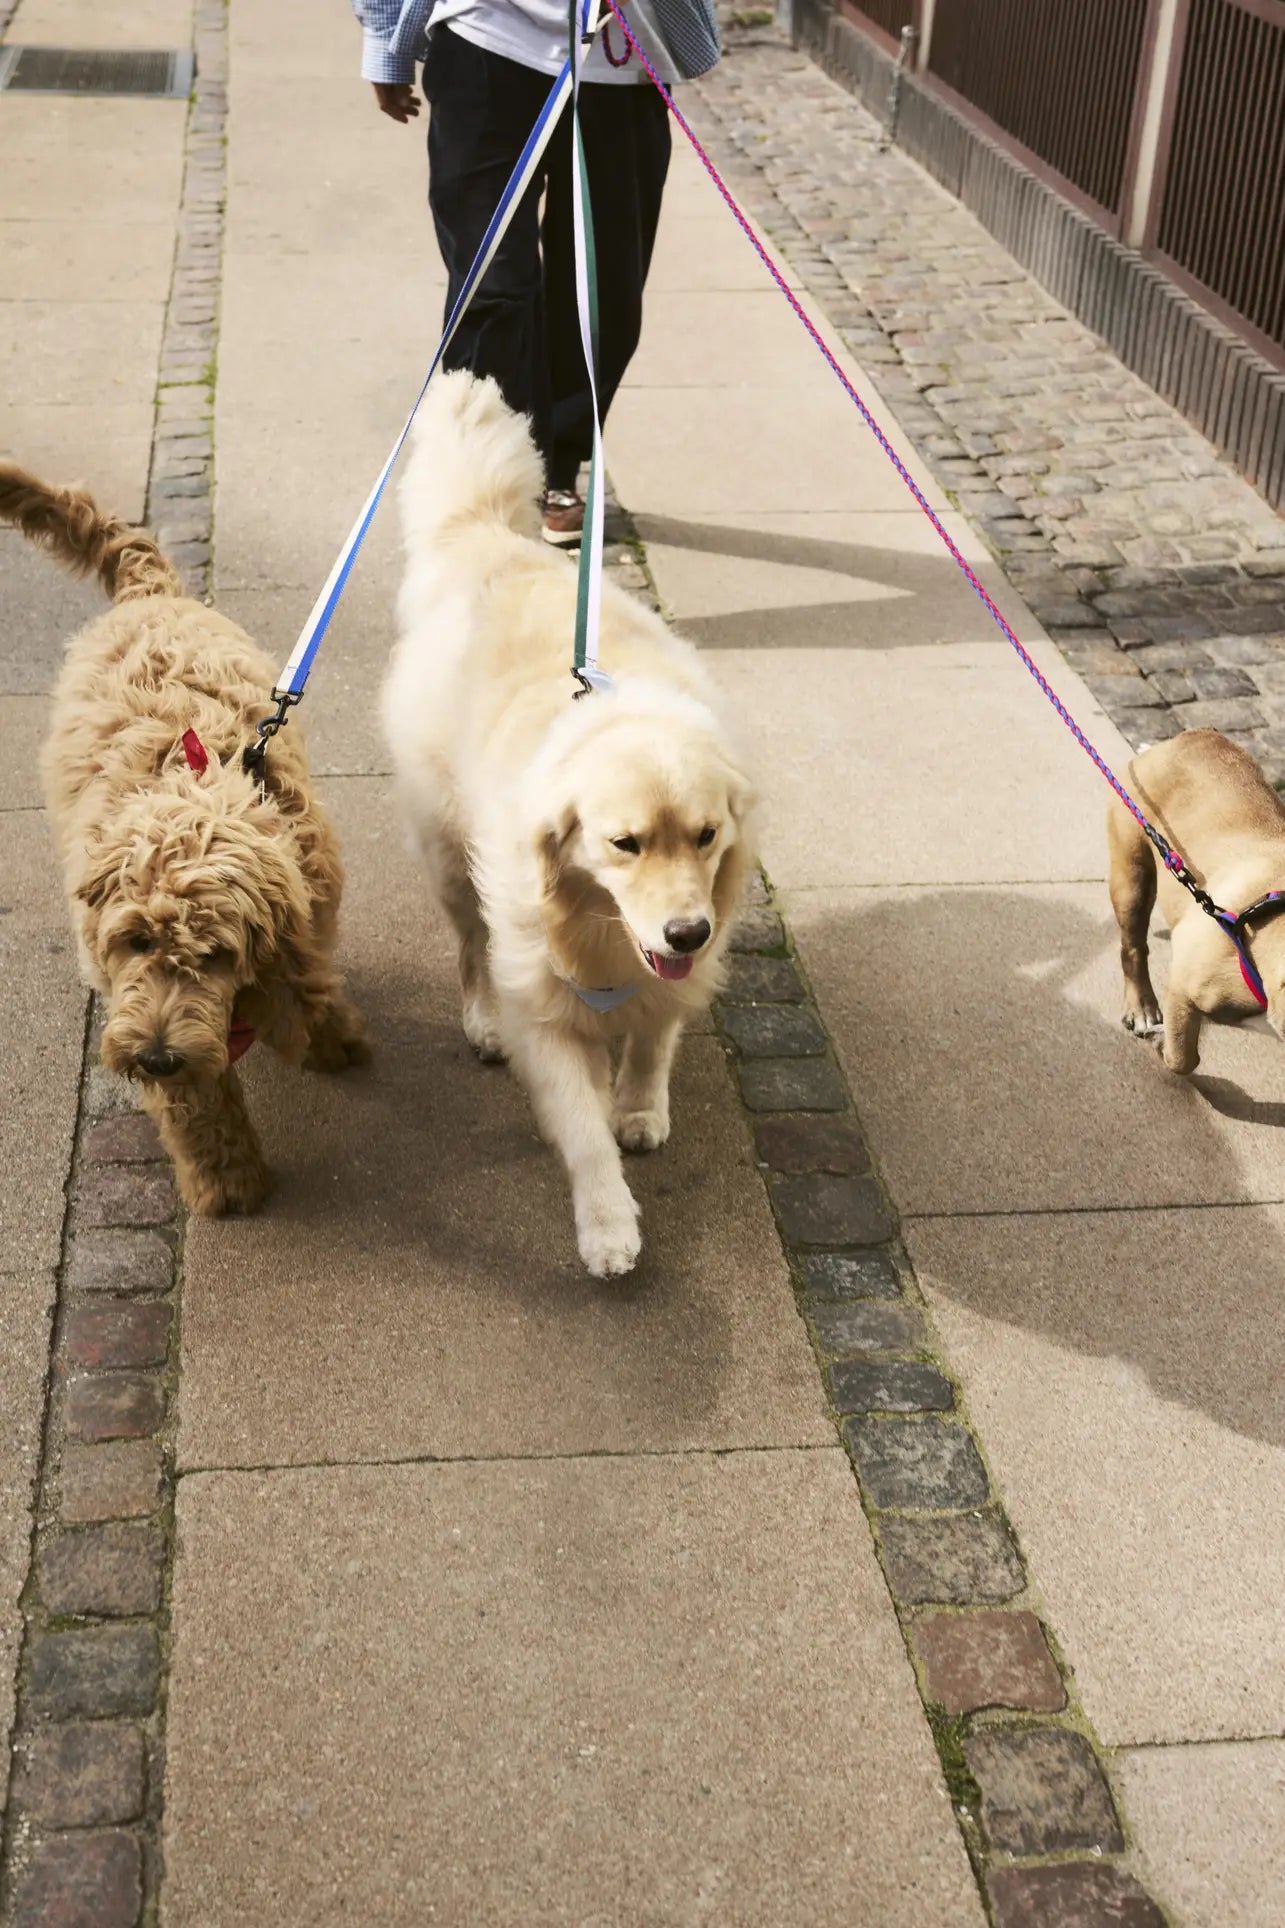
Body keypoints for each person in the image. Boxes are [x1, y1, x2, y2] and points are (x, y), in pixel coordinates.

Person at [352, 0, 719, 544]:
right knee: (492, 287)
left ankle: (555, 469)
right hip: (487, 41)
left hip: (622, 63)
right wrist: (385, 42)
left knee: (604, 293)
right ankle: (488, 486)